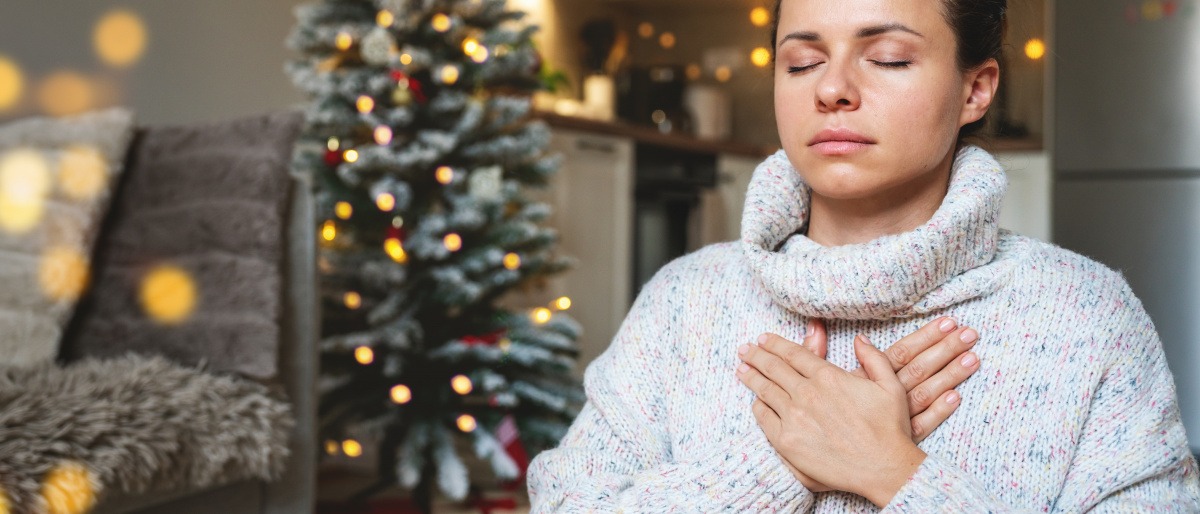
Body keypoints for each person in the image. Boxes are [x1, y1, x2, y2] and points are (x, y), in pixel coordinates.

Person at [527, 0, 1200, 510]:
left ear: (976, 89)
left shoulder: (1087, 316)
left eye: (888, 59)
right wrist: (777, 469)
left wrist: (892, 471)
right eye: (802, 61)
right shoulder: (683, 300)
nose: (832, 88)